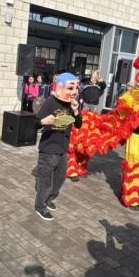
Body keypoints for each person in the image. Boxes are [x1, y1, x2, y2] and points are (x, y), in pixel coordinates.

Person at [34, 73, 82, 221]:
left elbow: (79, 125)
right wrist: (43, 122)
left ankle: (48, 199)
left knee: (60, 178)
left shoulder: (71, 104)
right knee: (46, 181)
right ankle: (40, 206)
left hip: (63, 149)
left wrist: (76, 111)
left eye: (76, 88)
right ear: (60, 87)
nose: (74, 91)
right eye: (70, 88)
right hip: (49, 149)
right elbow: (34, 123)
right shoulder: (50, 102)